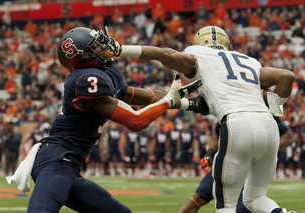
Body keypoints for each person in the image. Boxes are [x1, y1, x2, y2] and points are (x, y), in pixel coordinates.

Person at [9, 27, 202, 213]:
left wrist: (189, 104)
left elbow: (137, 95)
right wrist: (169, 100)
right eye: (96, 47)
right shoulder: (84, 80)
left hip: (69, 165)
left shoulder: (106, 74)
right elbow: (136, 122)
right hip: (56, 161)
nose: (104, 49)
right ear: (83, 59)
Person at [113, 25, 295, 212]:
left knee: (226, 205)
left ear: (199, 43)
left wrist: (120, 49)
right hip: (269, 127)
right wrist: (275, 107)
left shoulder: (200, 56)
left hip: (237, 123)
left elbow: (164, 54)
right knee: (256, 199)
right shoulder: (248, 61)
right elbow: (286, 76)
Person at [178, 110, 295, 213]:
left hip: (248, 168)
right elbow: (216, 134)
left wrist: (264, 150)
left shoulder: (263, 112)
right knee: (198, 198)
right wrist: (209, 154)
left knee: (241, 207)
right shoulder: (227, 108)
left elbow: (288, 137)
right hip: (225, 163)